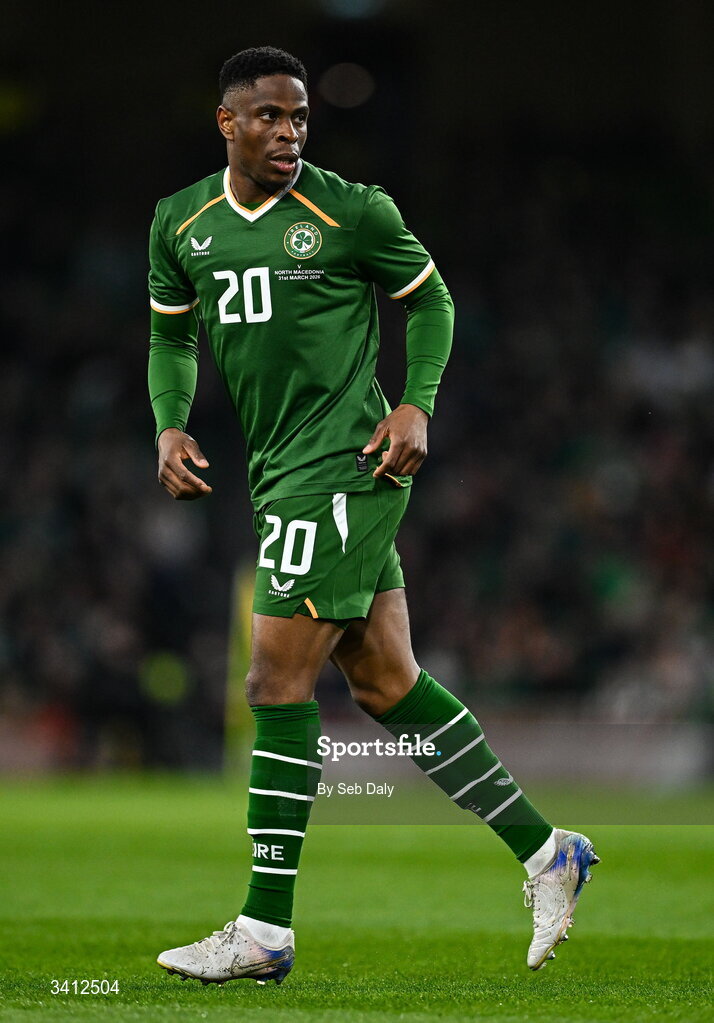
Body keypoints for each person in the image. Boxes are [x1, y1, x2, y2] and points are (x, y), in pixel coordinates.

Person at [148, 45, 598, 986]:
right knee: (388, 683)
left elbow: (430, 300)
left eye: (301, 117)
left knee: (274, 685)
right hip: (279, 470)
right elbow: (169, 332)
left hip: (347, 465)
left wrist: (416, 401)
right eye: (269, 116)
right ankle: (546, 849)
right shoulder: (180, 221)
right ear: (226, 121)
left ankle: (264, 927)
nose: (289, 132)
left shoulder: (354, 209)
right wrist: (169, 424)